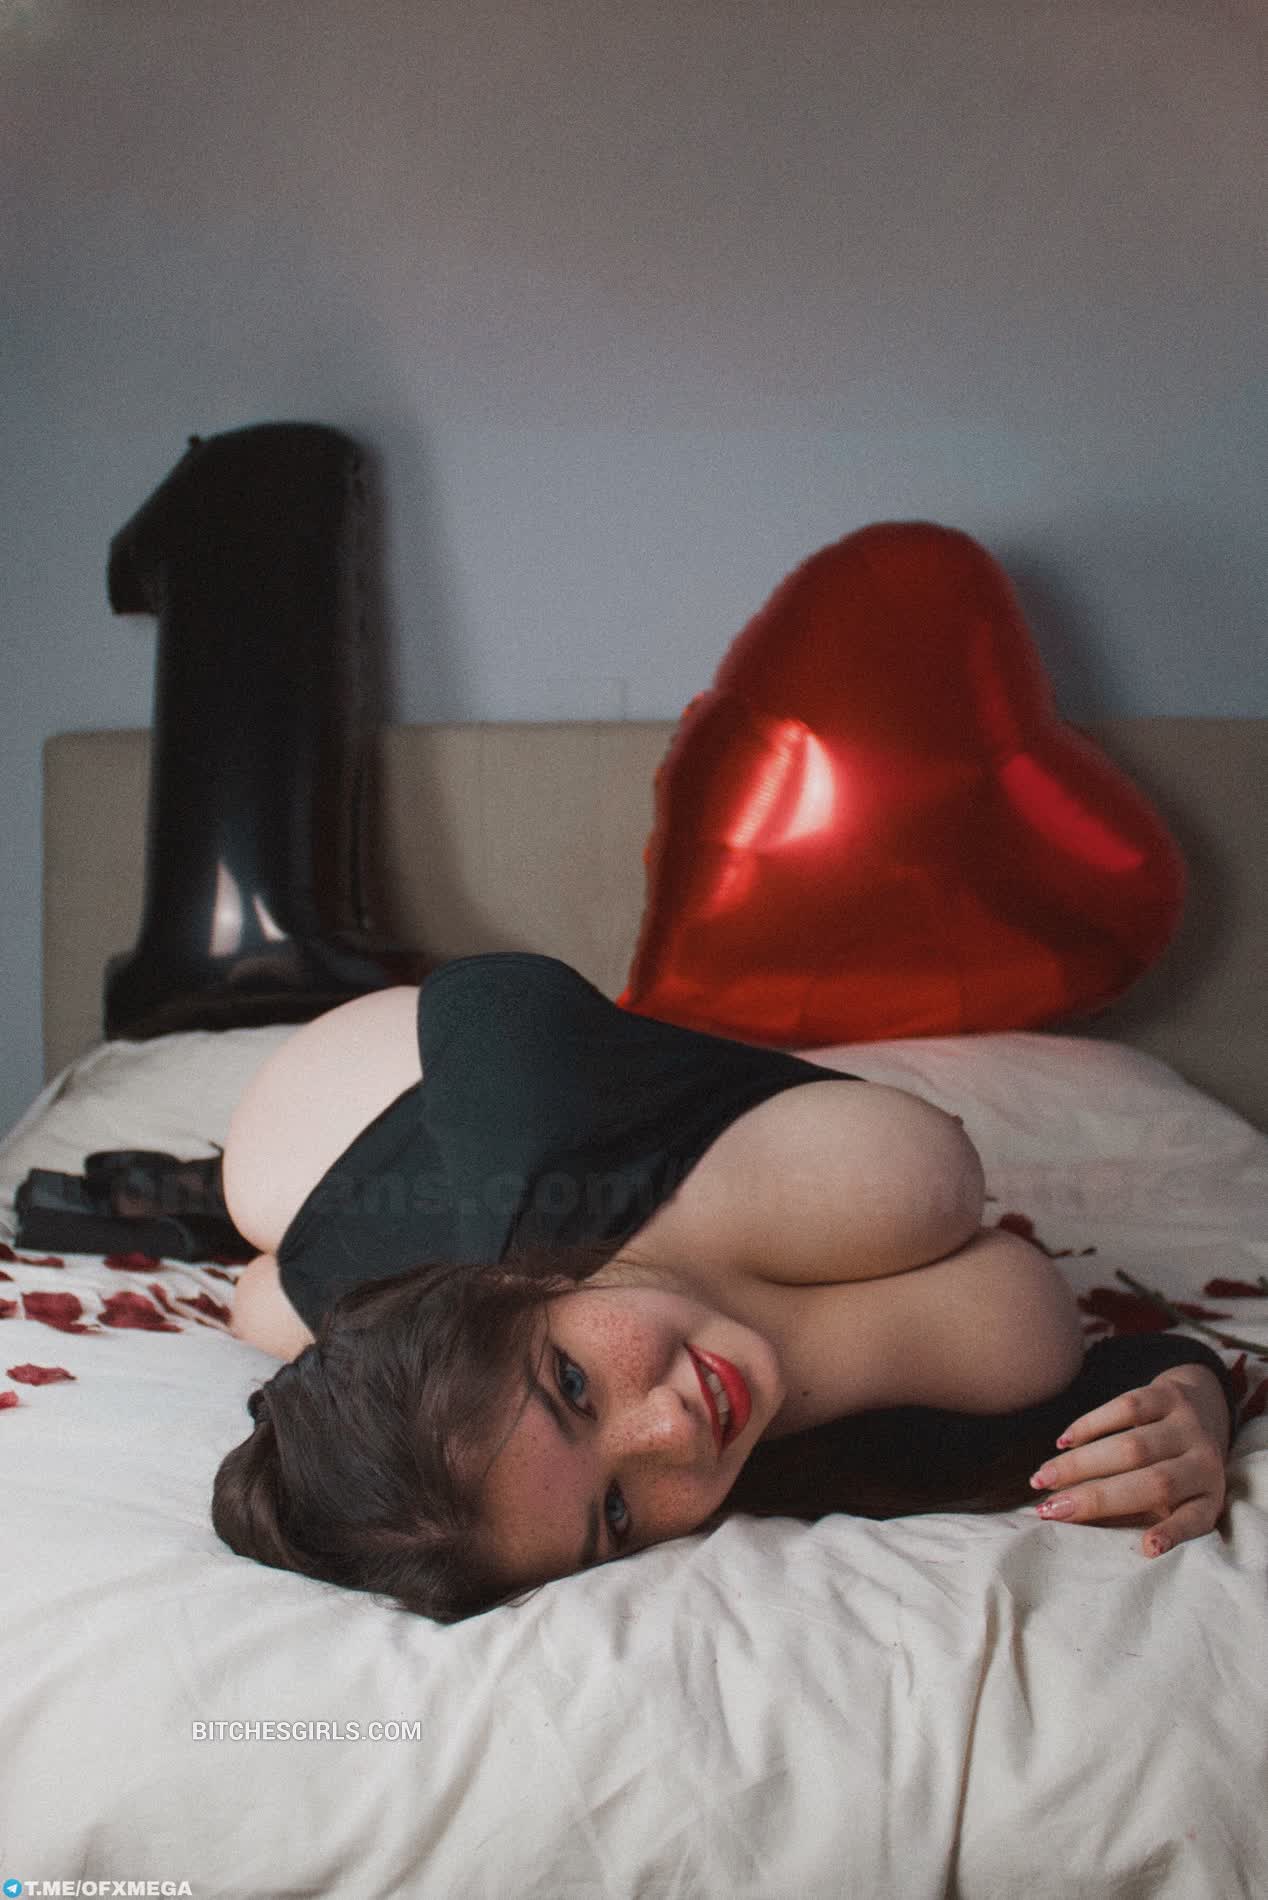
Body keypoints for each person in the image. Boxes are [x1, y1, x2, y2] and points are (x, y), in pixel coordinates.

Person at [214, 954, 1238, 1623]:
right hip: (420, 1282)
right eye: (617, 1512)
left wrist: (506, 1247)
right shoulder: (806, 1464)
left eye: (574, 1386)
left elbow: (485, 993)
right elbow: (1114, 1392)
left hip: (347, 1098)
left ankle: (270, 1242)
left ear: (516, 1293)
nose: (672, 1432)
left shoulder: (549, 1150)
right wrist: (1193, 1395)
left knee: (257, 1199)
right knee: (256, 1311)